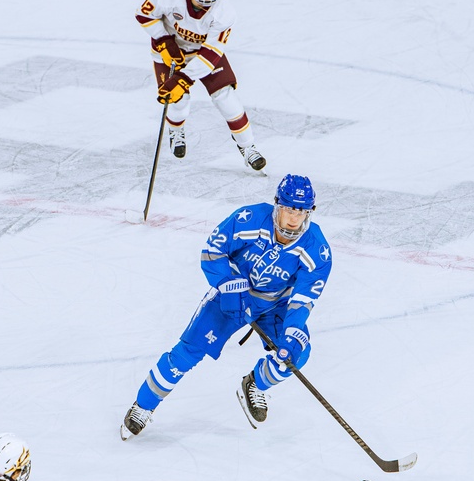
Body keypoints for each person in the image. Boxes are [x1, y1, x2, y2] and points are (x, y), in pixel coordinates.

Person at [121, 174, 331, 439]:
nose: (293, 217)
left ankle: (255, 383)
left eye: (300, 211)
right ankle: (143, 405)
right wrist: (229, 284)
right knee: (187, 353)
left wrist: (292, 334)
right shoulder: (249, 219)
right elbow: (213, 251)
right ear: (277, 205)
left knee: (297, 353)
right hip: (230, 298)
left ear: (309, 212)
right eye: (289, 208)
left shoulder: (317, 250)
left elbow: (302, 300)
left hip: (273, 306)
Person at [135, 0, 267, 171]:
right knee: (177, 99)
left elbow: (211, 54)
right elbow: (144, 15)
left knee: (226, 98)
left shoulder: (224, 13)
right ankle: (176, 129)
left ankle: (247, 145)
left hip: (203, 54)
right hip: (168, 53)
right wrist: (163, 40)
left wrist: (183, 79)